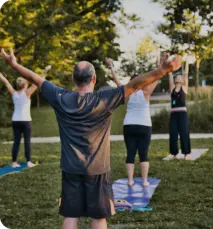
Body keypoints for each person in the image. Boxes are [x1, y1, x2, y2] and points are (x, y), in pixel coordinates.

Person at [1, 48, 181, 229]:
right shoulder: (104, 99)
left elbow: (36, 79)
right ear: (94, 79)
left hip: (70, 168)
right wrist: (162, 71)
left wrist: (14, 64)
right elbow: (135, 85)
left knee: (71, 216)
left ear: (73, 79)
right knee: (99, 218)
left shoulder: (60, 97)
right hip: (97, 170)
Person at [105, 58, 158, 187]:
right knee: (143, 154)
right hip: (144, 126)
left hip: (129, 125)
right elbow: (156, 78)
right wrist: (161, 66)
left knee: (130, 153)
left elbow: (116, 80)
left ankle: (130, 180)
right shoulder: (146, 92)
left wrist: (111, 66)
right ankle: (144, 181)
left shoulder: (127, 92)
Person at [0, 66, 51, 168]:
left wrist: (0, 75)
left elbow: (6, 82)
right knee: (27, 141)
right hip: (26, 121)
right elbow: (39, 81)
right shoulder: (27, 93)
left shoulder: (14, 93)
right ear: (25, 85)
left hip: (16, 121)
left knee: (16, 142)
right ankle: (28, 161)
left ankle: (14, 162)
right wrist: (45, 70)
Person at [163, 52, 192, 160]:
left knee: (184, 133)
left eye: (180, 76)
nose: (178, 77)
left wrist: (187, 61)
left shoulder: (184, 88)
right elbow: (170, 74)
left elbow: (186, 73)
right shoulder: (172, 89)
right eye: (177, 76)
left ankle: (186, 153)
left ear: (182, 80)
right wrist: (168, 61)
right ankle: (173, 153)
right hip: (174, 114)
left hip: (182, 114)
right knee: (173, 134)